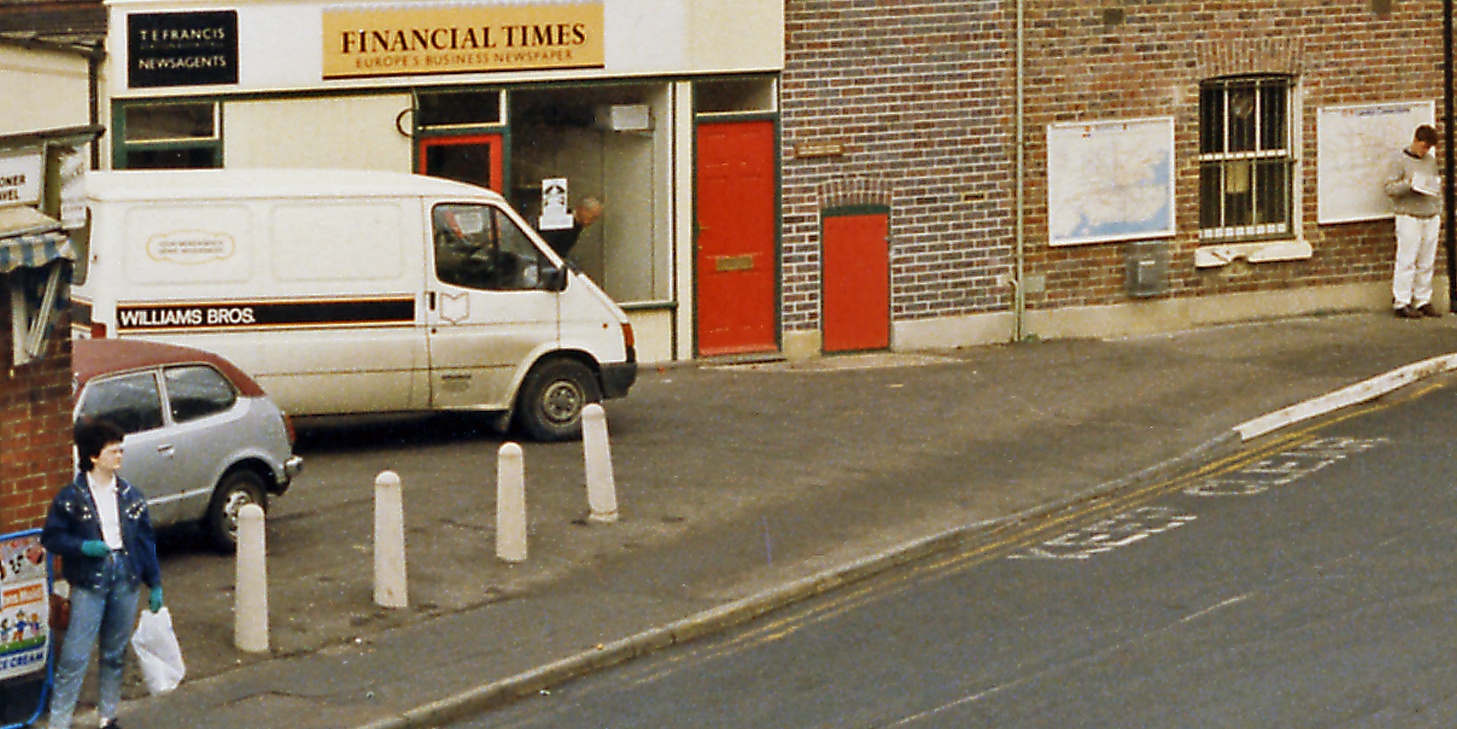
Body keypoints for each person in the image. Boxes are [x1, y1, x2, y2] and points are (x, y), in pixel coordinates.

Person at [42, 419, 164, 729]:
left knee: (114, 653)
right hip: (89, 582)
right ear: (94, 456)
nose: (119, 456)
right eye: (113, 451)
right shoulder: (71, 497)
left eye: (120, 450)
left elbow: (145, 541)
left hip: (126, 576)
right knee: (75, 656)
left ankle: (108, 716)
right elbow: (52, 538)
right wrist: (82, 546)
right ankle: (59, 722)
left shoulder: (131, 495)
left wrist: (154, 583)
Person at [1383, 124, 1443, 318]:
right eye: (1424, 146)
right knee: (1407, 259)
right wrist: (1409, 184)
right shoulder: (1400, 160)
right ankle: (1402, 301)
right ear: (1416, 141)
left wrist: (1438, 209)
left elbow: (1436, 186)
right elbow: (1389, 188)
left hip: (1429, 214)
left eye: (1428, 148)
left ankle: (1423, 299)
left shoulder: (1430, 161)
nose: (1425, 151)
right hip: (1409, 214)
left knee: (1427, 260)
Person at [538, 197, 603, 257]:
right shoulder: (562, 218)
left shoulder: (576, 226)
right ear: (584, 210)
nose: (593, 221)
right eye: (593, 217)